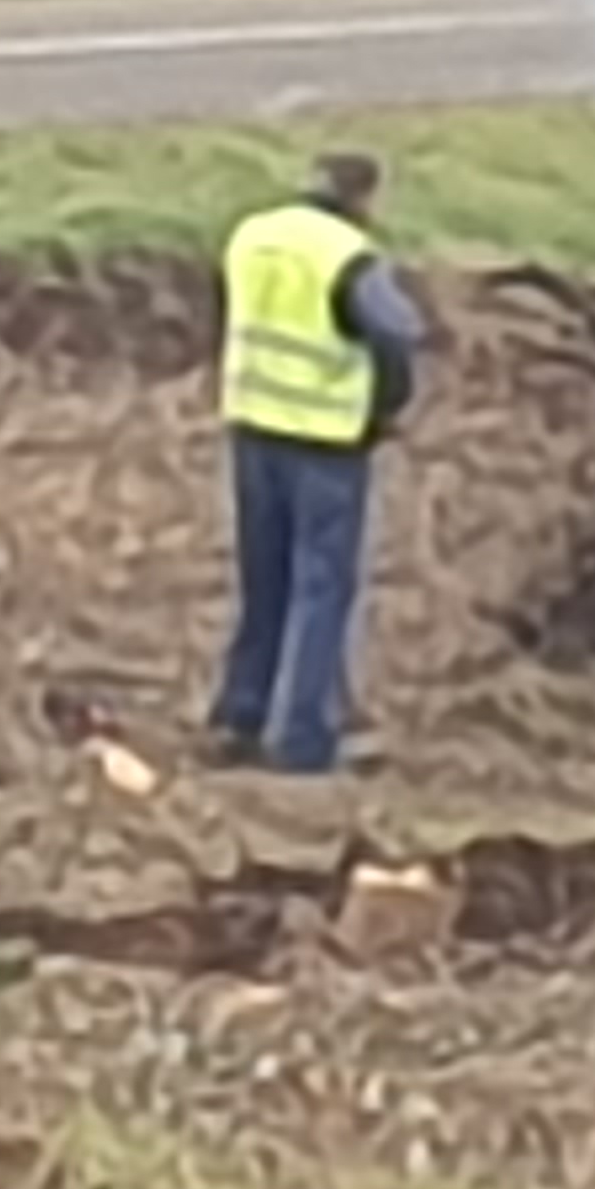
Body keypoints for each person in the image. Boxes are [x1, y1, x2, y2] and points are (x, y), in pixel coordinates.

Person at [208, 152, 424, 777]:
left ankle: (239, 713)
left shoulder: (252, 235)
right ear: (365, 195)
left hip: (253, 425)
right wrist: (386, 407)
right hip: (327, 439)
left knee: (264, 578)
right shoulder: (349, 257)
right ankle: (303, 736)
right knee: (320, 587)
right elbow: (397, 332)